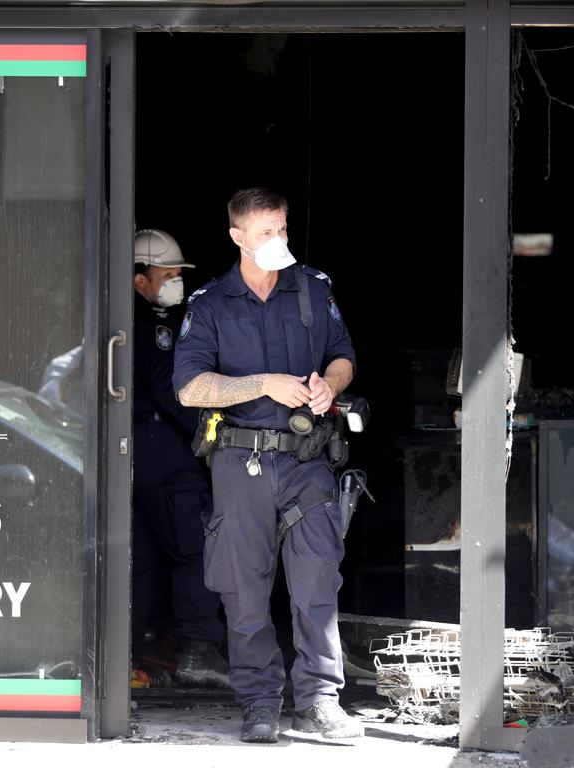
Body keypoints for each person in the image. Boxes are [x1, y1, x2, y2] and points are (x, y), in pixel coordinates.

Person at [172, 188, 363, 742]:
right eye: (264, 233)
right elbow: (188, 388)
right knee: (244, 587)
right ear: (237, 238)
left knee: (317, 582)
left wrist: (330, 383)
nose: (277, 240)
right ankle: (259, 702)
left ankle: (320, 700)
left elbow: (344, 355)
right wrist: (263, 384)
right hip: (239, 459)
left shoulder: (312, 287)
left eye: (281, 229)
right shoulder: (209, 302)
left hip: (307, 460)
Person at [131, 228, 228, 687]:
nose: (175, 281)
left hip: (129, 453)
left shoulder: (110, 321)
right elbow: (175, 392)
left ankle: (128, 654)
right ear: (138, 280)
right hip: (165, 453)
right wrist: (209, 437)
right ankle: (199, 651)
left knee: (142, 560)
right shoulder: (159, 329)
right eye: (167, 274)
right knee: (197, 549)